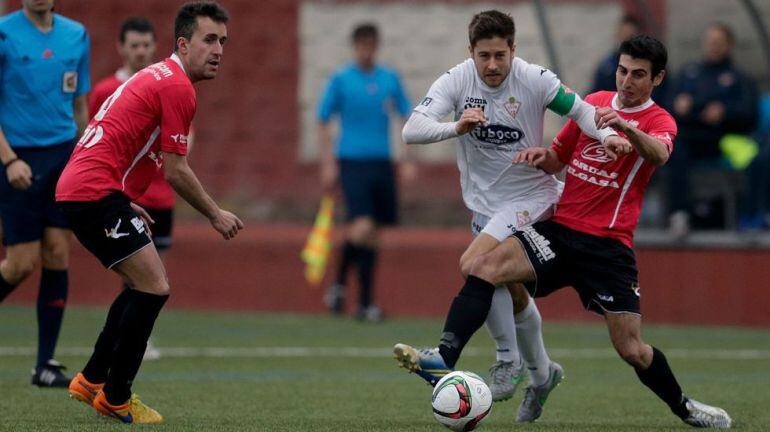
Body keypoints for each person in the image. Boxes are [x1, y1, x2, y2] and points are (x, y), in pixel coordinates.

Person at [396, 35, 732, 428]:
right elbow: (560, 156)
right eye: (623, 71)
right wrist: (543, 158)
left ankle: (685, 408)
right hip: (560, 231)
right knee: (483, 267)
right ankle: (446, 357)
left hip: (608, 248)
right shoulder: (597, 103)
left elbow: (659, 154)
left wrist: (625, 129)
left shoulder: (659, 121)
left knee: (632, 349)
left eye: (638, 75)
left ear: (657, 79)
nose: (626, 81)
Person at [396, 10, 629, 415]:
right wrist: (456, 127)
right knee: (507, 288)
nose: (491, 65)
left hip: (530, 198)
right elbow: (411, 130)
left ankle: (497, 359)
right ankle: (542, 375)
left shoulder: (535, 79)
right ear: (470, 52)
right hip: (484, 206)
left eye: (500, 55)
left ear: (513, 50)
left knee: (474, 265)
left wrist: (608, 134)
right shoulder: (456, 80)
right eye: (483, 55)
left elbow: (579, 111)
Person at [58, 1, 242, 424]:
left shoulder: (155, 75)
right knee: (154, 287)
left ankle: (91, 379)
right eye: (209, 40)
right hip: (91, 192)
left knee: (140, 284)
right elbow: (176, 171)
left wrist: (119, 198)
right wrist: (215, 214)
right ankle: (115, 395)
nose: (218, 50)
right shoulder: (178, 86)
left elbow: (109, 138)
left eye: (223, 42)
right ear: (183, 43)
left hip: (86, 188)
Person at [0, 0, 90, 387]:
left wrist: (85, 157)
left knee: (57, 252)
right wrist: (8, 161)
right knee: (21, 263)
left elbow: (80, 106)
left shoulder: (77, 35)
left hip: (64, 156)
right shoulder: (4, 33)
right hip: (17, 157)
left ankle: (44, 364)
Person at [90, 16, 174, 361]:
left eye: (146, 45)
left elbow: (182, 137)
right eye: (134, 45)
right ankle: (126, 343)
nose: (141, 51)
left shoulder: (167, 86)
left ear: (155, 46)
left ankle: (141, 336)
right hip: (125, 196)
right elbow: (94, 140)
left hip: (161, 195)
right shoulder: (105, 90)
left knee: (157, 275)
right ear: (122, 48)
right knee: (136, 274)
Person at [318, 23, 413, 321]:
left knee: (374, 234)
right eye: (362, 45)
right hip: (351, 161)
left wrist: (407, 158)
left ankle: (365, 303)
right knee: (360, 226)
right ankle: (339, 285)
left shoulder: (389, 78)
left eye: (371, 44)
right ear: (355, 46)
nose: (366, 50)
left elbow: (406, 116)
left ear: (376, 45)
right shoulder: (341, 79)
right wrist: (328, 162)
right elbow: (323, 120)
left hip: (381, 162)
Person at [665, 23, 758, 234]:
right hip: (690, 136)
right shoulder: (690, 73)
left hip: (724, 139)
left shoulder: (739, 78)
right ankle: (680, 214)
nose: (713, 47)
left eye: (718, 42)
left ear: (729, 45)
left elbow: (749, 114)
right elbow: (666, 106)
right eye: (710, 42)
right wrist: (678, 105)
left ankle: (749, 217)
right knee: (672, 148)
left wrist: (724, 112)